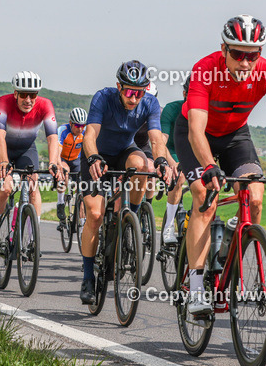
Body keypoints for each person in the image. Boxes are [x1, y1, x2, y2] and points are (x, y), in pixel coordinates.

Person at [176, 16, 266, 316]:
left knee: (255, 197)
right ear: (223, 49)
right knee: (204, 200)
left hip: (235, 135)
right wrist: (208, 166)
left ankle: (235, 235)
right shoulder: (205, 70)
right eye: (238, 54)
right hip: (196, 135)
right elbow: (196, 129)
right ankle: (196, 288)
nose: (246, 62)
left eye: (253, 54)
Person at [79, 60, 172, 304]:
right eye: (129, 92)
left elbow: (155, 138)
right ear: (119, 87)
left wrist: (162, 160)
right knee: (95, 215)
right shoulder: (103, 98)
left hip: (123, 152)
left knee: (143, 165)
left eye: (139, 92)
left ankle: (132, 214)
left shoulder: (150, 103)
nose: (134, 98)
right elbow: (90, 135)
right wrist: (93, 158)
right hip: (96, 153)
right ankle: (88, 277)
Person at [0, 73, 60, 256]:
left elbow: (52, 137)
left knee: (33, 185)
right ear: (15, 93)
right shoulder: (3, 102)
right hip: (3, 148)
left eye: (33, 95)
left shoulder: (45, 105)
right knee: (5, 188)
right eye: (24, 94)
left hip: (27, 149)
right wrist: (3, 161)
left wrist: (52, 162)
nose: (28, 100)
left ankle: (33, 238)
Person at [159, 79, 189, 244]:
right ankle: (169, 226)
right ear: (184, 94)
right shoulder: (172, 109)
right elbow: (160, 143)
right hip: (172, 151)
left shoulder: (206, 110)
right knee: (178, 178)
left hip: (191, 151)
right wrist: (170, 162)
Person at [56, 107, 87, 227]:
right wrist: (59, 165)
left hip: (76, 160)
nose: (80, 129)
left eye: (82, 126)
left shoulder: (85, 132)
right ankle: (60, 203)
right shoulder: (63, 130)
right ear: (70, 123)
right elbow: (57, 152)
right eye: (77, 125)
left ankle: (83, 223)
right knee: (65, 172)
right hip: (63, 159)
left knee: (83, 190)